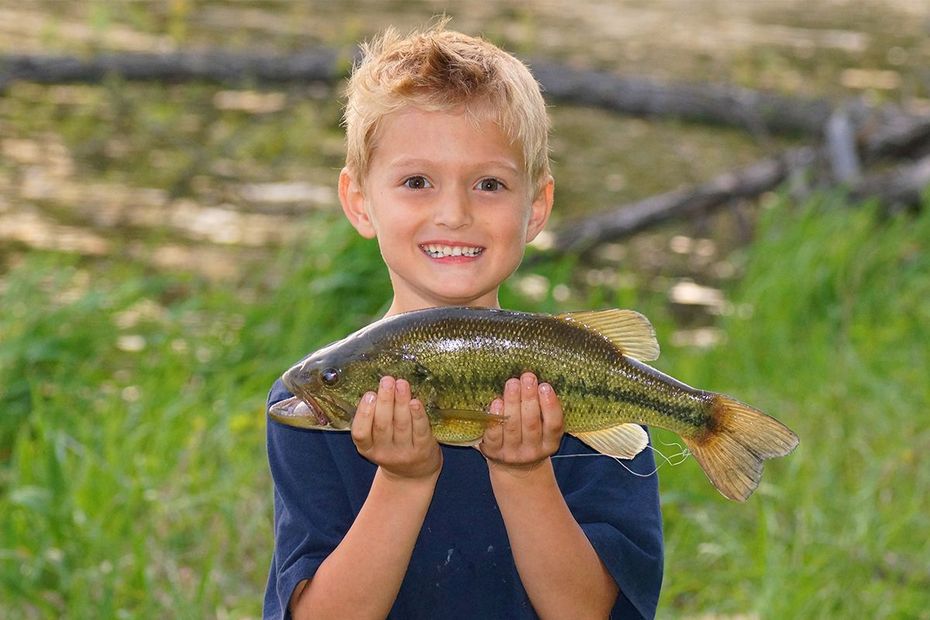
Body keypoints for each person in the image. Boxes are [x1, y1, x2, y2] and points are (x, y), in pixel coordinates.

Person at [264, 23, 663, 619]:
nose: (454, 213)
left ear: (537, 208)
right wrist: (402, 480)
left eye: (490, 184)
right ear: (358, 201)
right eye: (417, 181)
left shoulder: (589, 381)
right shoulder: (311, 406)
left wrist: (526, 473)